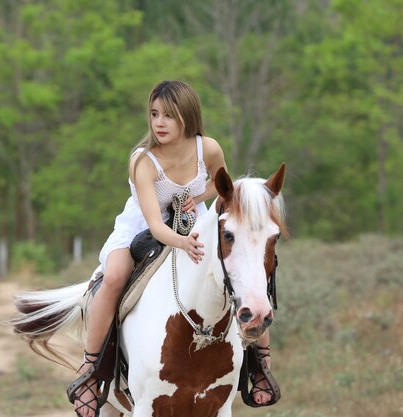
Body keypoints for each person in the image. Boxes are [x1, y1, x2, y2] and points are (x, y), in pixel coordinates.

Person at [70, 80, 273, 417]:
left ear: (188, 118)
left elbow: (220, 181)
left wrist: (198, 198)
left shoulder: (207, 148)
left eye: (169, 116)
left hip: (195, 223)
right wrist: (183, 242)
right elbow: (154, 224)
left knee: (242, 273)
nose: (159, 123)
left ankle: (260, 365)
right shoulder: (143, 161)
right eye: (154, 114)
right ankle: (92, 372)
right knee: (115, 275)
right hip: (143, 229)